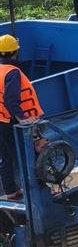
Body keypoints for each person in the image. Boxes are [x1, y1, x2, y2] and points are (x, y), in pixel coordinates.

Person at [0, 34, 43, 200]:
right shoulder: (12, 72)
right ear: (15, 53)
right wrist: (22, 118)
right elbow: (11, 100)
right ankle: (38, 190)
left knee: (5, 157)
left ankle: (10, 190)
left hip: (1, 120)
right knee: (25, 157)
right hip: (10, 122)